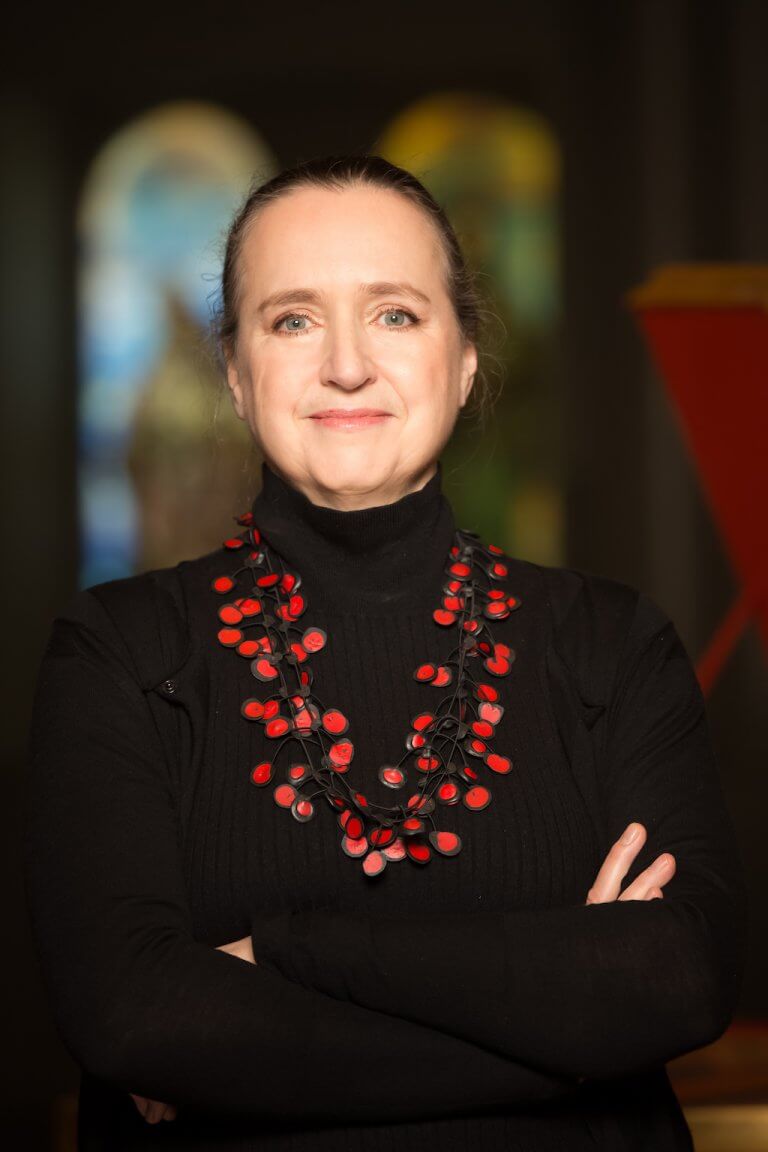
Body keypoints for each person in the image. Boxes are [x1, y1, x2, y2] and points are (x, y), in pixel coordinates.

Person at [23, 154, 748, 1151]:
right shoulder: (118, 653)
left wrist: (288, 952)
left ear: (466, 359)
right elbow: (137, 1019)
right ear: (234, 372)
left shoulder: (611, 644)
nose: (347, 365)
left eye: (396, 314)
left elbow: (686, 979)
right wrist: (579, 1034)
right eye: (293, 320)